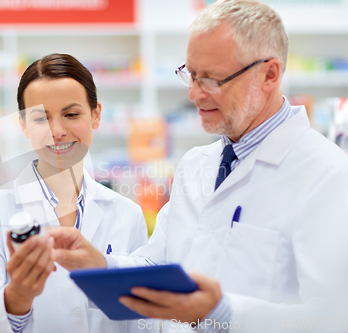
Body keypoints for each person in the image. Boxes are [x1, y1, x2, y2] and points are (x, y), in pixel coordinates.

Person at [46, 1, 348, 332]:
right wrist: (100, 264)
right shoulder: (196, 165)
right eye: (190, 74)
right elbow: (158, 262)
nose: (193, 93)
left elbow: (333, 318)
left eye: (211, 79)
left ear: (269, 74)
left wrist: (224, 312)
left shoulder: (327, 175)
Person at [0, 53, 156, 333]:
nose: (57, 131)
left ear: (96, 115)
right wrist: (17, 297)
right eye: (41, 118)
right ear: (24, 125)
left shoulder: (126, 214)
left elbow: (141, 320)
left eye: (72, 114)